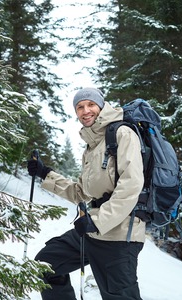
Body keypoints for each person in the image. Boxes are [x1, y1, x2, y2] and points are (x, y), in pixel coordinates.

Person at [27, 87, 145, 300]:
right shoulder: (92, 146)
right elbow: (82, 192)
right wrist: (45, 174)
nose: (85, 110)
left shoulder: (121, 133)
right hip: (92, 231)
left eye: (91, 104)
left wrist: (97, 221)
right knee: (46, 265)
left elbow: (131, 185)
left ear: (101, 106)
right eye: (80, 107)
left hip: (119, 236)